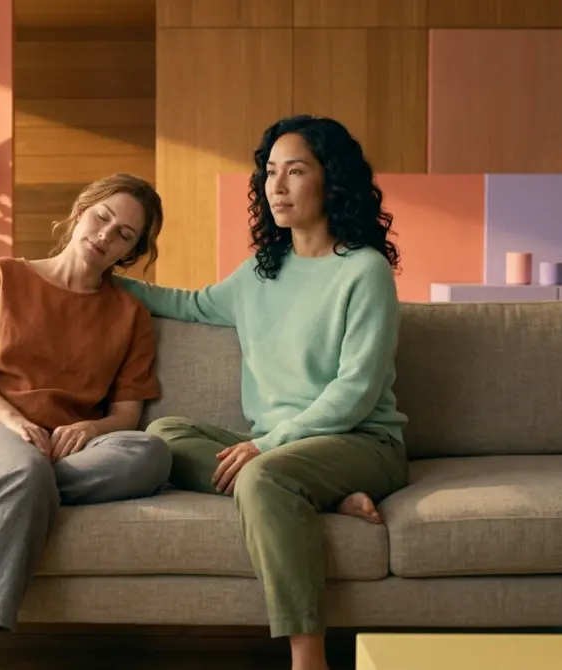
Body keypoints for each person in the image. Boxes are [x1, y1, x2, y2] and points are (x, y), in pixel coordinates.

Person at [114, 115, 408, 670]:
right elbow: (190, 304)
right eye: (270, 172)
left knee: (263, 474)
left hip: (362, 442)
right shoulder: (261, 272)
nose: (277, 186)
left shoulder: (364, 271)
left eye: (295, 172)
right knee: (163, 435)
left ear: (331, 181)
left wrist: (269, 446)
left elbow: (356, 391)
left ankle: (308, 658)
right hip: (284, 452)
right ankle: (314, 496)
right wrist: (92, 272)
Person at [0, 173, 172, 670]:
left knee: (151, 454)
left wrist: (93, 428)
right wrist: (12, 418)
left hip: (60, 447)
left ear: (129, 252)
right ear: (82, 210)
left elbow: (127, 415)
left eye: (124, 234)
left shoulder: (129, 314)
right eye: (103, 217)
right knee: (21, 470)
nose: (107, 234)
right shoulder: (2, 274)